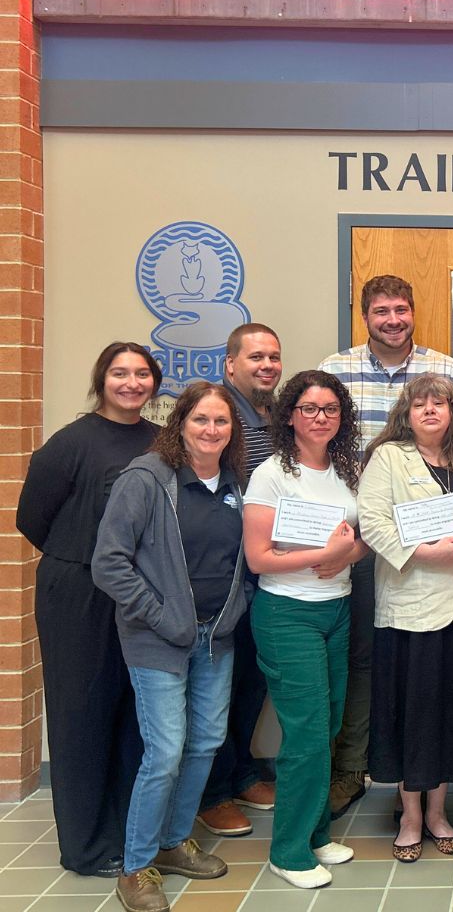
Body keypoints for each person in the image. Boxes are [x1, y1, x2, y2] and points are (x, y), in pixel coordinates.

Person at [91, 382, 249, 912]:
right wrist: (161, 617)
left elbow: (243, 560)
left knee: (206, 741)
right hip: (157, 639)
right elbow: (109, 562)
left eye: (221, 422)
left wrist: (235, 608)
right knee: (165, 751)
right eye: (201, 419)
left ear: (233, 430)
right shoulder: (146, 479)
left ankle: (175, 842)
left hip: (215, 636)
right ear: (180, 423)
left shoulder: (235, 482)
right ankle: (136, 866)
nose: (211, 430)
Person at [319, 275, 453, 817]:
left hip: (447, 570)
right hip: (357, 532)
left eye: (401, 309)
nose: (392, 319)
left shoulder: (447, 369)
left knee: (434, 673)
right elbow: (318, 436)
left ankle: (432, 789)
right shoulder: (336, 369)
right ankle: (349, 771)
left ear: (413, 313)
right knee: (362, 660)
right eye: (381, 310)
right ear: (366, 316)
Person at [16, 342, 161, 878]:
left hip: (140, 594)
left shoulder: (158, 441)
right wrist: (85, 557)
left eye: (141, 374)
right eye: (120, 373)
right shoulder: (69, 444)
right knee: (81, 715)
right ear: (102, 380)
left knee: (133, 715)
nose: (131, 383)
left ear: (154, 382)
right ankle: (86, 847)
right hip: (77, 594)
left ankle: (130, 832)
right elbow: (32, 519)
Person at [357, 374, 453, 863]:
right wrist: (423, 551)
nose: (431, 410)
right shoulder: (388, 458)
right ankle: (410, 815)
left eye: (441, 403)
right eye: (421, 404)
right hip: (408, 607)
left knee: (451, 711)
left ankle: (439, 812)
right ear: (406, 413)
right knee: (411, 713)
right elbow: (371, 522)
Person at [243, 370, 365, 888]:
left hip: (336, 610)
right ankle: (288, 853)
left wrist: (349, 553)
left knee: (330, 725)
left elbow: (363, 539)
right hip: (287, 614)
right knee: (307, 735)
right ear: (290, 414)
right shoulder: (271, 473)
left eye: (331, 409)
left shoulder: (347, 470)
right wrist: (330, 554)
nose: (321, 417)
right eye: (311, 408)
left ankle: (315, 835)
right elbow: (258, 559)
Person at [197, 323, 283, 838]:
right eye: (256, 357)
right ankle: (213, 793)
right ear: (231, 364)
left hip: (264, 574)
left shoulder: (273, 418)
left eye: (274, 356)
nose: (267, 365)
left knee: (251, 683)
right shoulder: (220, 415)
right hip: (224, 574)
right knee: (216, 691)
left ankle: (243, 773)